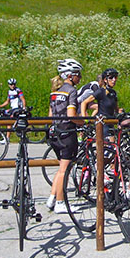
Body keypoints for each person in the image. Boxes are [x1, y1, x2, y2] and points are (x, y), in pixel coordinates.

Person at [47, 59, 83, 214]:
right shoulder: (71, 91)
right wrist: (83, 123)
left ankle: (52, 198)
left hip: (54, 132)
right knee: (65, 170)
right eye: (78, 75)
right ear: (71, 75)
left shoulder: (55, 91)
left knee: (61, 168)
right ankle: (60, 203)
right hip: (67, 133)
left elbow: (50, 115)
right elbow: (71, 115)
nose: (80, 78)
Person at [80, 68, 121, 133]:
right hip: (102, 123)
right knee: (106, 142)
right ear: (105, 80)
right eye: (111, 78)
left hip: (111, 122)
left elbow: (116, 108)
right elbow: (84, 102)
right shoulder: (100, 91)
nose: (114, 80)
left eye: (115, 77)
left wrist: (121, 112)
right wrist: (85, 119)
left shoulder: (113, 93)